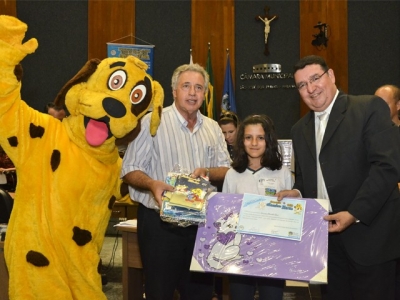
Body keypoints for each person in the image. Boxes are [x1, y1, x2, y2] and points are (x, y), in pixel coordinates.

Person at [276, 55, 400, 300]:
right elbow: (305, 179)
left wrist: (353, 213)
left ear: (331, 76)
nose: (310, 89)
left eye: (315, 79)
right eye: (302, 85)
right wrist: (297, 192)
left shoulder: (367, 108)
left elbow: (386, 167)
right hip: (327, 242)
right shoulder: (298, 130)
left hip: (370, 237)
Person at [121, 63, 231, 300]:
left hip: (202, 226)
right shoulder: (152, 122)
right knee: (159, 292)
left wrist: (209, 172)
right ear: (174, 91)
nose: (193, 93)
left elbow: (227, 170)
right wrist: (152, 184)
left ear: (205, 93)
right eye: (186, 86)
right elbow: (129, 169)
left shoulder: (213, 128)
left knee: (200, 294)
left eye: (199, 87)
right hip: (161, 226)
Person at [222, 114, 291, 300]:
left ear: (268, 141)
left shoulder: (282, 173)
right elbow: (225, 214)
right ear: (241, 141)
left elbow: (290, 214)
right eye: (248, 137)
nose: (254, 143)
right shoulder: (232, 174)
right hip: (239, 253)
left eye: (260, 137)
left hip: (272, 253)